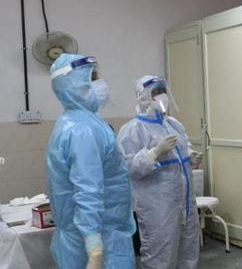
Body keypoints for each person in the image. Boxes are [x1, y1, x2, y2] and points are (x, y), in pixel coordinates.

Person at [46, 53, 135, 269]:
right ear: (74, 85)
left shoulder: (78, 121)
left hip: (98, 232)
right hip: (99, 239)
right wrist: (94, 249)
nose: (101, 83)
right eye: (93, 78)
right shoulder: (82, 130)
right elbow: (88, 190)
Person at [117, 75, 202, 269]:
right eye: (155, 92)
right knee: (160, 255)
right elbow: (129, 168)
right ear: (143, 96)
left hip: (186, 203)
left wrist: (191, 157)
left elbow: (183, 153)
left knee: (188, 251)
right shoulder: (132, 130)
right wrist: (154, 152)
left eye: (163, 91)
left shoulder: (174, 124)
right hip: (158, 207)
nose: (161, 96)